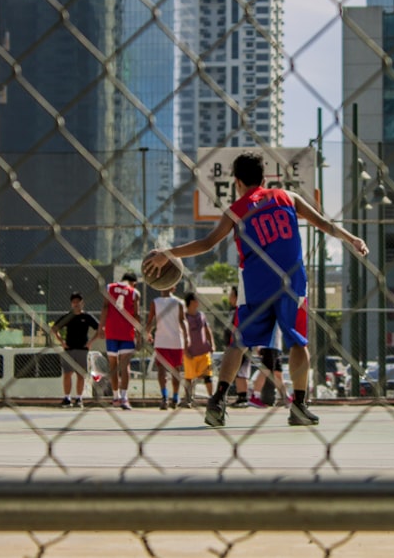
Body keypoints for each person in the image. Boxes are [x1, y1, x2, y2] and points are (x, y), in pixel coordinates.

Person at [143, 152, 368, 427]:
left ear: (237, 182)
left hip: (255, 283)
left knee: (238, 342)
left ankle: (218, 400)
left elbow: (207, 243)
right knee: (298, 342)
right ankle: (298, 404)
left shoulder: (236, 210)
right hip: (291, 281)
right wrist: (352, 238)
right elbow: (324, 224)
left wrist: (168, 252)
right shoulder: (286, 197)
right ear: (265, 178)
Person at [51, 291, 100, 407]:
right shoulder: (68, 316)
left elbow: (99, 330)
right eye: (73, 302)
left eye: (78, 302)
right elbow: (54, 329)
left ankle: (79, 398)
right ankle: (67, 398)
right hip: (69, 349)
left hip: (82, 349)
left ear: (82, 303)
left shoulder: (87, 317)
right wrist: (61, 341)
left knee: (80, 374)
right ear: (71, 304)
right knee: (67, 374)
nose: (76, 304)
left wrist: (90, 342)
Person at [99, 271, 140, 410]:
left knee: (113, 365)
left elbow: (105, 307)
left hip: (111, 331)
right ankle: (124, 397)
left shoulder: (109, 287)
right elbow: (136, 314)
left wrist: (101, 327)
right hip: (127, 333)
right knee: (125, 366)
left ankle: (115, 397)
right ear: (133, 282)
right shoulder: (134, 292)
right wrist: (139, 335)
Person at [145, 285, 189, 410]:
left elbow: (150, 321)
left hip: (163, 340)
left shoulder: (158, 302)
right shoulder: (178, 302)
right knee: (175, 370)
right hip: (174, 341)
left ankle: (166, 397)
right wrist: (186, 338)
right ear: (174, 288)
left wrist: (147, 333)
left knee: (162, 370)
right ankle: (173, 397)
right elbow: (182, 321)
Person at [182, 292, 215, 406]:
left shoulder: (201, 315)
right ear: (191, 302)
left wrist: (212, 344)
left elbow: (207, 330)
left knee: (208, 376)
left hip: (203, 351)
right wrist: (185, 350)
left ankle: (212, 398)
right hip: (190, 353)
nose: (199, 302)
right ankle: (188, 399)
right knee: (189, 378)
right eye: (197, 300)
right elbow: (181, 334)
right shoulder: (184, 317)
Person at [225, 285, 252, 408]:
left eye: (231, 295)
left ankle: (243, 397)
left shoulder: (240, 310)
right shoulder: (232, 310)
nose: (229, 298)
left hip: (241, 344)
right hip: (233, 344)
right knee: (237, 371)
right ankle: (240, 396)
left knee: (241, 371)